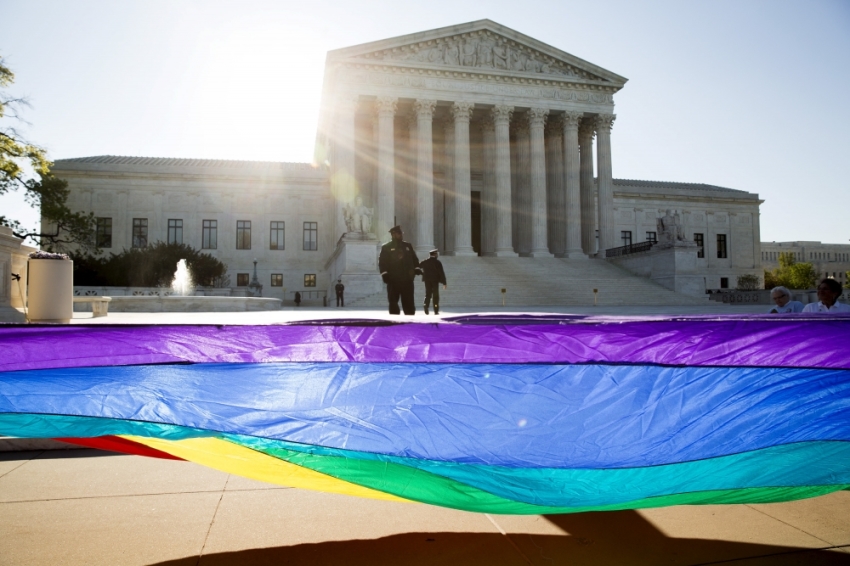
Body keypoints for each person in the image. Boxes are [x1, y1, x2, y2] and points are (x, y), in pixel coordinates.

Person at [378, 225, 421, 315]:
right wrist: (384, 274)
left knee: (409, 302)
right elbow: (382, 262)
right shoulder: (386, 247)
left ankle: (410, 321)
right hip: (393, 279)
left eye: (401, 233)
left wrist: (416, 268)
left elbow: (414, 259)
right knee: (393, 302)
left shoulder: (407, 246)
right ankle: (394, 324)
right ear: (393, 234)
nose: (401, 235)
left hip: (407, 279)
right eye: (399, 233)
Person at [419, 249, 447, 315]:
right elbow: (441, 273)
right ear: (434, 254)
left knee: (428, 294)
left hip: (427, 280)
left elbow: (418, 267)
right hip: (435, 281)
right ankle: (436, 310)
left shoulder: (425, 262)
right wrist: (444, 282)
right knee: (435, 296)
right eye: (436, 254)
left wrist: (422, 273)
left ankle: (426, 305)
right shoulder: (437, 262)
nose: (437, 255)